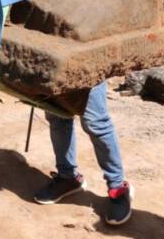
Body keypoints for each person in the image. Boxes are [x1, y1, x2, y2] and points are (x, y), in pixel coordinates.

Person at [33, 80, 133, 225]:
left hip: (87, 66)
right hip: (53, 65)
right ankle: (68, 178)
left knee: (95, 123)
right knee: (58, 117)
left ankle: (118, 188)